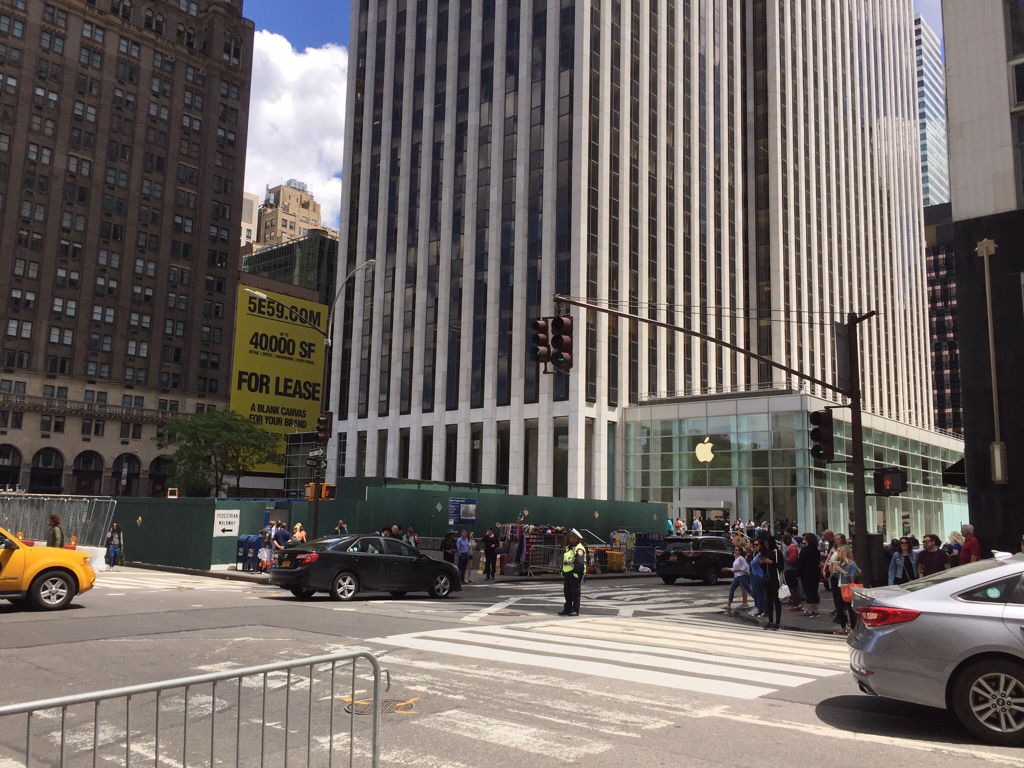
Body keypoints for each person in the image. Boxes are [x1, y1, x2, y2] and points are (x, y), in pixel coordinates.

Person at [558, 529, 587, 616]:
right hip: (567, 573)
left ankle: (575, 609)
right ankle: (567, 609)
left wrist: (576, 572)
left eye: (572, 537)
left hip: (575, 574)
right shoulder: (568, 548)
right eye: (570, 537)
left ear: (576, 538)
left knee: (575, 592)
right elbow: (566, 560)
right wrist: (562, 571)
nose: (570, 538)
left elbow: (579, 562)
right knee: (567, 592)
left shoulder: (579, 549)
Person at [833, 544, 859, 635]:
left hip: (847, 587)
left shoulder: (852, 564)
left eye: (839, 551)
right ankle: (843, 626)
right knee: (839, 608)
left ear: (844, 552)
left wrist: (842, 571)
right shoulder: (839, 563)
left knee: (850, 608)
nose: (838, 553)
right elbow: (837, 576)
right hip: (840, 586)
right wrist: (835, 571)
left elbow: (852, 577)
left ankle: (852, 627)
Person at [759, 534, 783, 631]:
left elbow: (781, 567)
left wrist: (771, 562)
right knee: (769, 599)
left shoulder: (777, 553)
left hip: (775, 578)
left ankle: (778, 622)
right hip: (767, 577)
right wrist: (762, 563)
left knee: (776, 600)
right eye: (764, 544)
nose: (766, 546)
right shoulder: (765, 552)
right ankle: (770, 620)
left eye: (767, 544)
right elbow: (764, 568)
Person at [797, 532, 822, 618]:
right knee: (815, 590)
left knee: (808, 591)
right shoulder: (816, 550)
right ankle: (816, 610)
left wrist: (798, 573)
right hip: (816, 572)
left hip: (806, 573)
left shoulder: (805, 550)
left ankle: (809, 610)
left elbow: (801, 563)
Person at [722, 546, 751, 614]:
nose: (735, 551)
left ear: (740, 551)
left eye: (737, 550)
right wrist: (727, 569)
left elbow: (746, 567)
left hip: (741, 576)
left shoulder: (741, 558)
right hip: (737, 577)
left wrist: (739, 570)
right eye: (735, 550)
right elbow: (734, 568)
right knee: (731, 589)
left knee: (749, 590)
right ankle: (728, 605)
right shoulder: (736, 558)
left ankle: (758, 604)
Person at [781, 533, 802, 612]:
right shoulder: (792, 547)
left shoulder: (791, 547)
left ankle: (796, 603)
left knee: (791, 588)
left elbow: (792, 559)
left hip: (791, 570)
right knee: (794, 587)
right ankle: (797, 603)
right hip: (791, 569)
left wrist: (785, 559)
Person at [748, 540, 766, 618]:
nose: (755, 546)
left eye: (757, 545)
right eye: (754, 545)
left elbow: (753, 563)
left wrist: (751, 561)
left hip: (759, 575)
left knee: (761, 594)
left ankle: (764, 610)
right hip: (756, 575)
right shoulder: (756, 554)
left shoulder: (760, 555)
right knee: (757, 593)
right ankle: (760, 609)